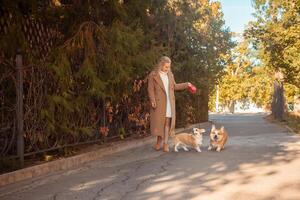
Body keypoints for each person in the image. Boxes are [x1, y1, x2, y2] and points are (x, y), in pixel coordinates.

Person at [147, 56, 191, 152]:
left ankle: (166, 143)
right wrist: (152, 100)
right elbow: (150, 89)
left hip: (169, 102)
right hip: (159, 102)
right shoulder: (153, 75)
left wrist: (186, 84)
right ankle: (159, 141)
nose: (168, 69)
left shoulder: (170, 75)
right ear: (161, 65)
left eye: (169, 67)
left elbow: (174, 86)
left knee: (167, 123)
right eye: (166, 67)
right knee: (159, 123)